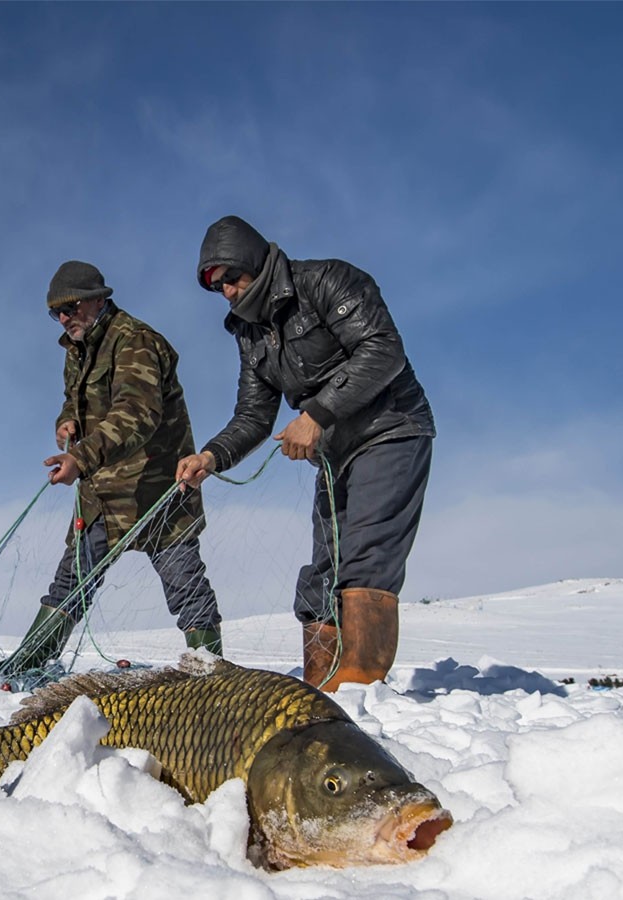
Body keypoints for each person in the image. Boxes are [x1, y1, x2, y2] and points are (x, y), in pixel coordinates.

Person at [176, 216, 434, 691]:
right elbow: (254, 416)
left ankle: (358, 686)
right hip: (334, 456)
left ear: (255, 262)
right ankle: (322, 687)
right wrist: (210, 457)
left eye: (231, 277)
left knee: (365, 554)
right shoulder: (249, 333)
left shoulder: (326, 281)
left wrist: (315, 415)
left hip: (390, 430)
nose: (227, 291)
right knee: (322, 573)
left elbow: (382, 349)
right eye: (216, 286)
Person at [0, 260, 223, 680]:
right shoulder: (77, 349)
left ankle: (213, 675)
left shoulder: (136, 341)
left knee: (185, 585)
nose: (63, 319)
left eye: (70, 308)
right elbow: (74, 399)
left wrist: (81, 458)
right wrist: (67, 420)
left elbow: (137, 413)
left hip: (158, 491)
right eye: (55, 313)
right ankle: (25, 668)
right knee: (71, 582)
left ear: (98, 299)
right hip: (103, 496)